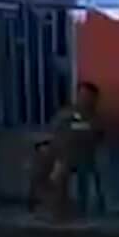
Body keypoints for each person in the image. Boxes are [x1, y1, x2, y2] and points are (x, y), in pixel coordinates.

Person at [50, 82, 106, 219]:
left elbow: (96, 133)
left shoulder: (95, 116)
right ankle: (58, 209)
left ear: (94, 98)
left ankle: (80, 209)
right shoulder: (67, 112)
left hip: (84, 156)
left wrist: (78, 129)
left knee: (76, 173)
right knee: (54, 171)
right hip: (63, 155)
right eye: (81, 95)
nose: (84, 98)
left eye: (88, 95)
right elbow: (57, 129)